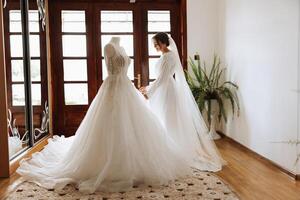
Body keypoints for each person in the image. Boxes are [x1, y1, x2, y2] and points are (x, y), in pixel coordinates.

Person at [17, 37, 191, 194]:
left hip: (126, 89)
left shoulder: (120, 46)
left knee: (135, 126)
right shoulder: (109, 46)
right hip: (113, 89)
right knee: (112, 124)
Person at [140, 33, 225, 172]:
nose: (154, 47)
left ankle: (171, 152)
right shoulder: (164, 56)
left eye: (156, 44)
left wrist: (149, 90)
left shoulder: (170, 56)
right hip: (163, 89)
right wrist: (150, 88)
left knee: (168, 119)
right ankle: (165, 150)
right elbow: (161, 78)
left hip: (166, 90)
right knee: (161, 119)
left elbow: (162, 78)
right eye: (154, 44)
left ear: (162, 43)